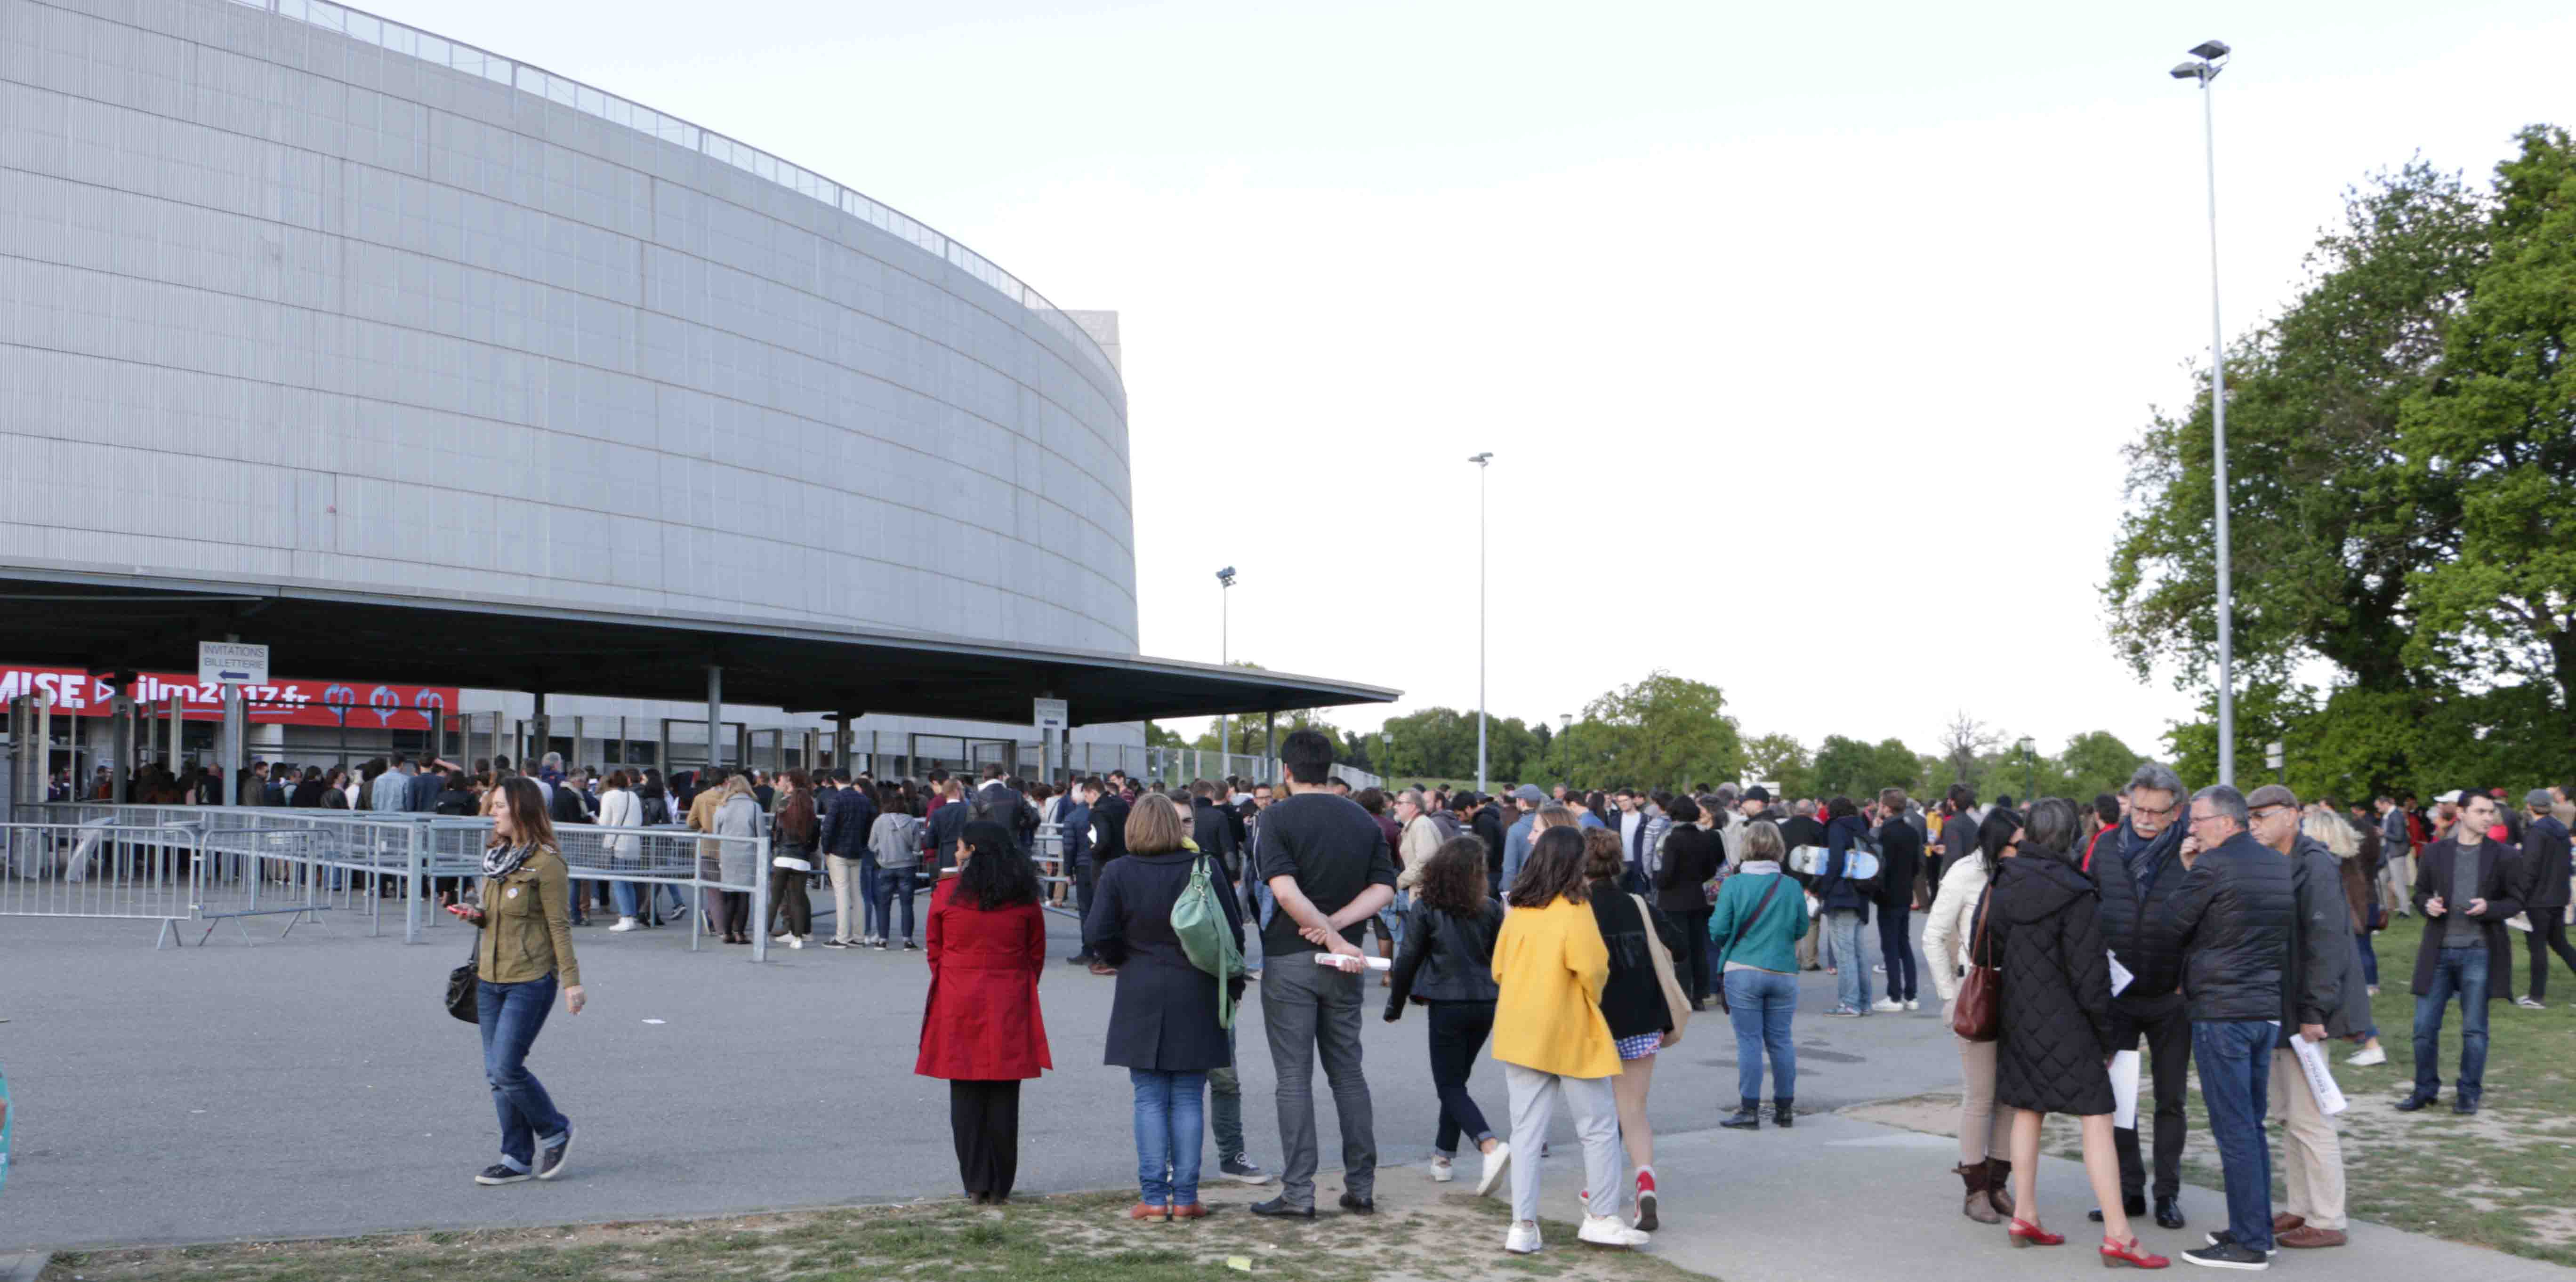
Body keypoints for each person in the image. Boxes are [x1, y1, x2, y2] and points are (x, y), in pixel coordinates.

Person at [1987, 798, 2165, 1268]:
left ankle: (2024, 1213)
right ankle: (2119, 1235)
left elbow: (1986, 945)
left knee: (2027, 1107)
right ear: (2069, 837)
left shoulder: (2003, 880)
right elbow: (2090, 975)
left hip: (2019, 1012)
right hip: (2067, 1019)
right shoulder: (2077, 891)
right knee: (2098, 1117)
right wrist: (2106, 1035)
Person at [1246, 729, 1396, 1219]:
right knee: (1347, 1072)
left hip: (1292, 956)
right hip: (1345, 961)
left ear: (1287, 772)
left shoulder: (1275, 817)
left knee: (1294, 1077)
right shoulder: (1364, 820)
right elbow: (1384, 890)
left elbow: (1285, 894)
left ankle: (1299, 1192)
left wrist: (1326, 932)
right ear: (1330, 769)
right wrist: (1339, 928)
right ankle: (1362, 1185)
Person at [1084, 795, 1244, 1221]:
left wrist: (1123, 958)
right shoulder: (1203, 868)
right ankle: (1187, 1196)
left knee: (1149, 1097)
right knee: (1190, 1096)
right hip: (1197, 986)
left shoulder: (1118, 871)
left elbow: (1097, 933)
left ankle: (1154, 1197)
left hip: (1140, 987)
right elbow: (1233, 934)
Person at [1489, 825, 1647, 1253]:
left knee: (1525, 1133)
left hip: (1521, 1030)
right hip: (1571, 1028)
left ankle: (1522, 1226)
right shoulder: (1575, 910)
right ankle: (1600, 1216)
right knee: (1596, 1128)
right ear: (1575, 863)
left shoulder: (1519, 909)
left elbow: (1499, 969)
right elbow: (1595, 970)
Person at [2163, 785, 2295, 1269]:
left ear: (2226, 822)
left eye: (2197, 820)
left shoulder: (2215, 866)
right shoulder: (2276, 864)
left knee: (2235, 1129)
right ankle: (2254, 1228)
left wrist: (2191, 870)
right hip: (2262, 1009)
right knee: (2250, 1127)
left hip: (2224, 1012)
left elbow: (2173, 922)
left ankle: (2250, 1244)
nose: (2190, 828)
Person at [445, 777, 584, 1186]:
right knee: (495, 1073)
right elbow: (493, 916)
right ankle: (516, 1158)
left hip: (530, 979)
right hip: (488, 977)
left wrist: (572, 983)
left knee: (506, 1067)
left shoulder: (547, 863)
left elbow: (560, 925)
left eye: (500, 806)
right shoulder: (496, 858)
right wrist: (475, 915)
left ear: (521, 809)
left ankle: (557, 1130)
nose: (492, 812)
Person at [2247, 785, 2367, 1251]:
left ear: (2293, 816)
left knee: (2312, 1116)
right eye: (2250, 816)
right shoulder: (2276, 861)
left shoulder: (2315, 864)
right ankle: (2300, 1206)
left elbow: (2326, 942)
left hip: (2306, 1010)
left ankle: (2329, 1217)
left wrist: (2314, 1011)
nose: (2255, 823)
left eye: (2264, 815)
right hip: (2280, 1006)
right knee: (2288, 1115)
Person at [916, 819, 1051, 1204]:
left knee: (966, 1092)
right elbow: (1035, 952)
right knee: (1005, 1094)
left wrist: (954, 977)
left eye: (960, 847)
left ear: (972, 851)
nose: (956, 853)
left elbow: (934, 948)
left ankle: (975, 1182)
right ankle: (1000, 1184)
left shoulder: (947, 892)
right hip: (1009, 994)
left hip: (959, 995)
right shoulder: (1023, 895)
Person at [2087, 763, 2193, 1232]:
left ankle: (2166, 1194)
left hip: (2172, 999)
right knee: (2121, 1100)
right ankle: (2128, 1190)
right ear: (2127, 803)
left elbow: (2207, 918)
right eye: (2140, 809)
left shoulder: (2192, 851)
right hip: (2119, 997)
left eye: (2158, 812)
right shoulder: (2107, 847)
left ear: (2177, 812)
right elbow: (2088, 908)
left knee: (2171, 1101)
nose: (2147, 820)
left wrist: (2189, 978)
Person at [1384, 836, 1509, 1195]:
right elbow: (1500, 957)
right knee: (1456, 1082)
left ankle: (1489, 1144)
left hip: (1447, 1002)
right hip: (1486, 1002)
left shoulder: (1426, 908)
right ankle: (1443, 1156)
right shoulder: (1489, 908)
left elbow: (1408, 958)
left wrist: (1396, 1004)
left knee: (1450, 1084)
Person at [1581, 825, 1684, 1231]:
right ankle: (1645, 1186)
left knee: (1599, 1116)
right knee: (1634, 1111)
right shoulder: (1639, 905)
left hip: (1595, 1023)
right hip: (1643, 1019)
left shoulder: (1576, 908)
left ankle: (1598, 1189)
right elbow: (1682, 946)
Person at [2399, 790, 2523, 1116]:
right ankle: (2425, 1090)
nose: (2488, 818)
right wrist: (2427, 904)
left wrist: (2490, 907)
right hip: (2438, 952)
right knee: (2423, 1030)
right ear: (2462, 813)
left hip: (2479, 952)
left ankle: (2469, 1092)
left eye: (2491, 812)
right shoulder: (2437, 852)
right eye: (2481, 811)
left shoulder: (2505, 855)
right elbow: (2421, 892)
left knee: (2475, 1030)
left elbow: (2516, 901)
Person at [1920, 806, 2016, 1221]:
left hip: (2019, 994)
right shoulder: (1965, 873)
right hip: (1975, 990)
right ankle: (1975, 1187)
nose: (2023, 849)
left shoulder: (2023, 873)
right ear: (1999, 843)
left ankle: (1999, 1182)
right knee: (1981, 1093)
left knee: (2011, 1096)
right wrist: (1948, 994)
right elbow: (1934, 935)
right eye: (2016, 842)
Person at [1711, 818, 1807, 1133]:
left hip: (1743, 969)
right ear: (1779, 848)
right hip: (1783, 970)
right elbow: (1802, 929)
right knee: (1781, 1040)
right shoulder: (1791, 886)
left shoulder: (1734, 885)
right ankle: (1785, 1108)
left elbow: (1719, 929)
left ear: (1747, 846)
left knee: (1749, 1041)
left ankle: (1750, 1109)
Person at [1655, 794, 1722, 1010]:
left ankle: (1684, 992)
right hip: (1697, 898)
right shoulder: (1704, 838)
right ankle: (1700, 994)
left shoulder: (1673, 839)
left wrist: (1661, 884)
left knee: (1679, 949)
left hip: (1674, 900)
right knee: (1698, 947)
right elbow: (1711, 869)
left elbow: (1666, 873)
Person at [2514, 788, 2574, 1007]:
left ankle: (2536, 996)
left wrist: (2519, 897)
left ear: (2530, 806)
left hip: (2539, 899)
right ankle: (2535, 995)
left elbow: (2529, 870)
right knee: (2560, 944)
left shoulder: (2537, 832)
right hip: (2559, 896)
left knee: (2538, 948)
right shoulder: (2560, 829)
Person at [1817, 797, 1875, 1015]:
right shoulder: (1862, 827)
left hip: (1841, 895)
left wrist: (1823, 889)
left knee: (1844, 952)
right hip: (1860, 895)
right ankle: (1864, 1002)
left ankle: (1849, 1003)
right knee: (1858, 952)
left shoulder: (1836, 828)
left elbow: (1835, 862)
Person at [1872, 788, 1924, 1013]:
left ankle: (1894, 996)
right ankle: (1911, 995)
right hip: (1904, 892)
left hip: (1888, 894)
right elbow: (1917, 865)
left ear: (1886, 807)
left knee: (1890, 946)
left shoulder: (1885, 833)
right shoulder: (1912, 832)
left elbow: (1878, 865)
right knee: (1904, 944)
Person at [822, 769, 879, 948]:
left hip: (838, 852)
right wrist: (863, 845)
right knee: (858, 894)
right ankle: (859, 936)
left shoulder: (836, 800)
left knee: (842, 894)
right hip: (858, 853)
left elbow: (829, 828)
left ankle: (842, 937)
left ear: (834, 781)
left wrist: (826, 849)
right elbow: (870, 827)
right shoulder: (865, 800)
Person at [765, 770, 819, 949]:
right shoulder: (812, 815)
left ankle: (765, 933)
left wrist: (778, 848)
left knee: (776, 898)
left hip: (782, 858)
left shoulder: (782, 808)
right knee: (797, 899)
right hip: (802, 861)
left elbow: (776, 833)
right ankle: (798, 938)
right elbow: (814, 844)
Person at [708, 774, 762, 945]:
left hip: (728, 855)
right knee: (744, 895)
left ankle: (727, 933)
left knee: (730, 895)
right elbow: (761, 834)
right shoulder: (754, 807)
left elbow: (716, 833)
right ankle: (741, 933)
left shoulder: (722, 807)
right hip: (748, 855)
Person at [870, 784, 926, 950]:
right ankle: (907, 940)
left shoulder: (879, 821)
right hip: (907, 867)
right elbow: (917, 848)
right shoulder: (912, 822)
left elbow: (871, 845)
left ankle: (882, 940)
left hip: (886, 866)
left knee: (883, 904)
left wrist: (882, 853)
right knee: (907, 904)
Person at [597, 770, 647, 932]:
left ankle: (626, 918)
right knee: (628, 881)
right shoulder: (633, 796)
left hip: (616, 843)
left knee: (618, 883)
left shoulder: (609, 796)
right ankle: (631, 916)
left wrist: (596, 821)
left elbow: (604, 822)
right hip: (633, 843)